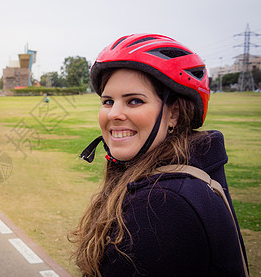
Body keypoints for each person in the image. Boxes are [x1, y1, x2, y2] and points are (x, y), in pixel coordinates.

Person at [71, 34, 249, 276]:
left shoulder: (161, 205)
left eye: (134, 101)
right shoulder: (189, 178)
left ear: (174, 114)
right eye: (108, 101)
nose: (114, 114)